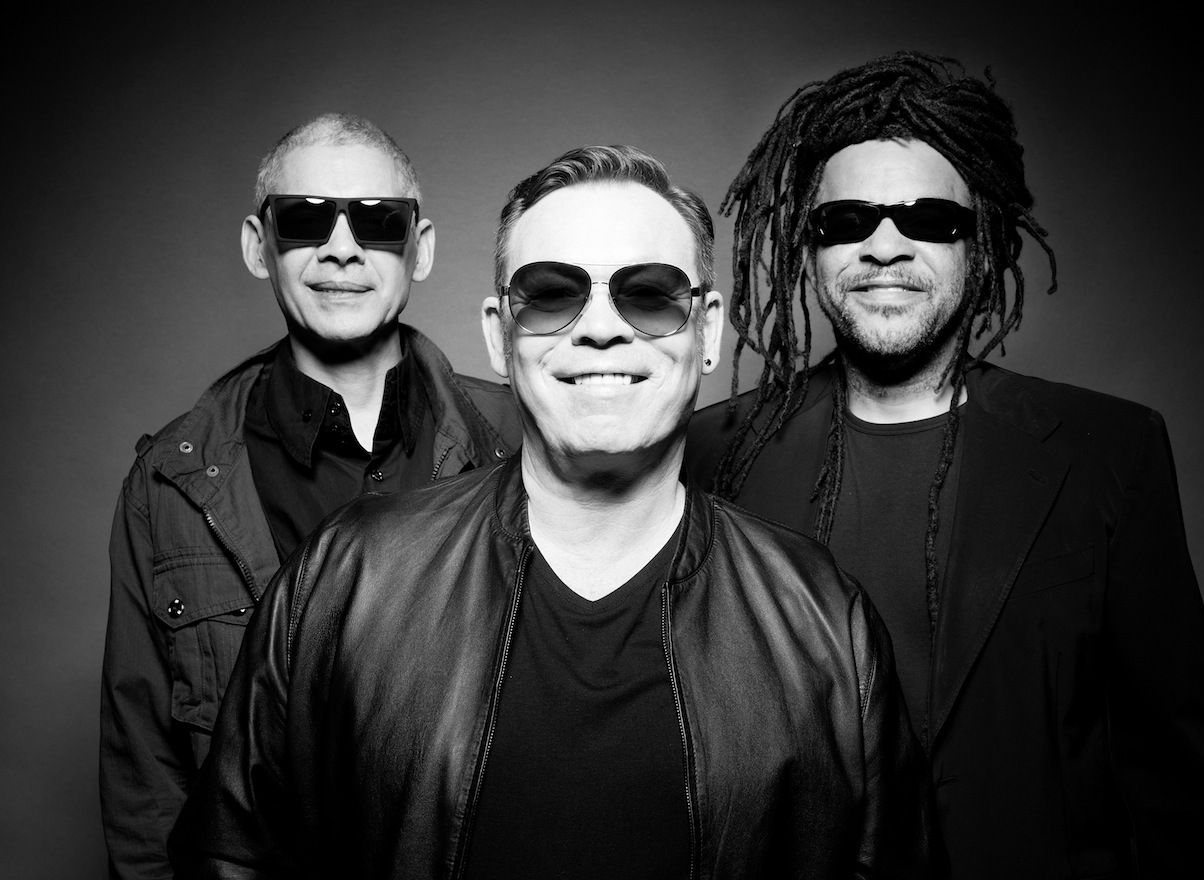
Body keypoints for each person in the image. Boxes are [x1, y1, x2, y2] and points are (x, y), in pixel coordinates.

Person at [167, 145, 939, 878]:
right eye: (550, 296)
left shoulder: (823, 620)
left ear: (708, 331)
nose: (600, 328)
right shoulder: (348, 577)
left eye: (649, 294)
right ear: (498, 337)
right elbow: (231, 856)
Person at [686, 52, 1204, 878]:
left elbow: (1173, 781)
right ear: (809, 246)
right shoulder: (713, 454)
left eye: (930, 220)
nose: (884, 247)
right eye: (847, 220)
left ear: (981, 244)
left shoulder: (1108, 452)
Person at [99, 113, 520, 879]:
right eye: (305, 219)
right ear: (258, 245)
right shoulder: (169, 486)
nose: (342, 248)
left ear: (421, 247)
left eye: (377, 221)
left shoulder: (519, 444)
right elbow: (145, 789)